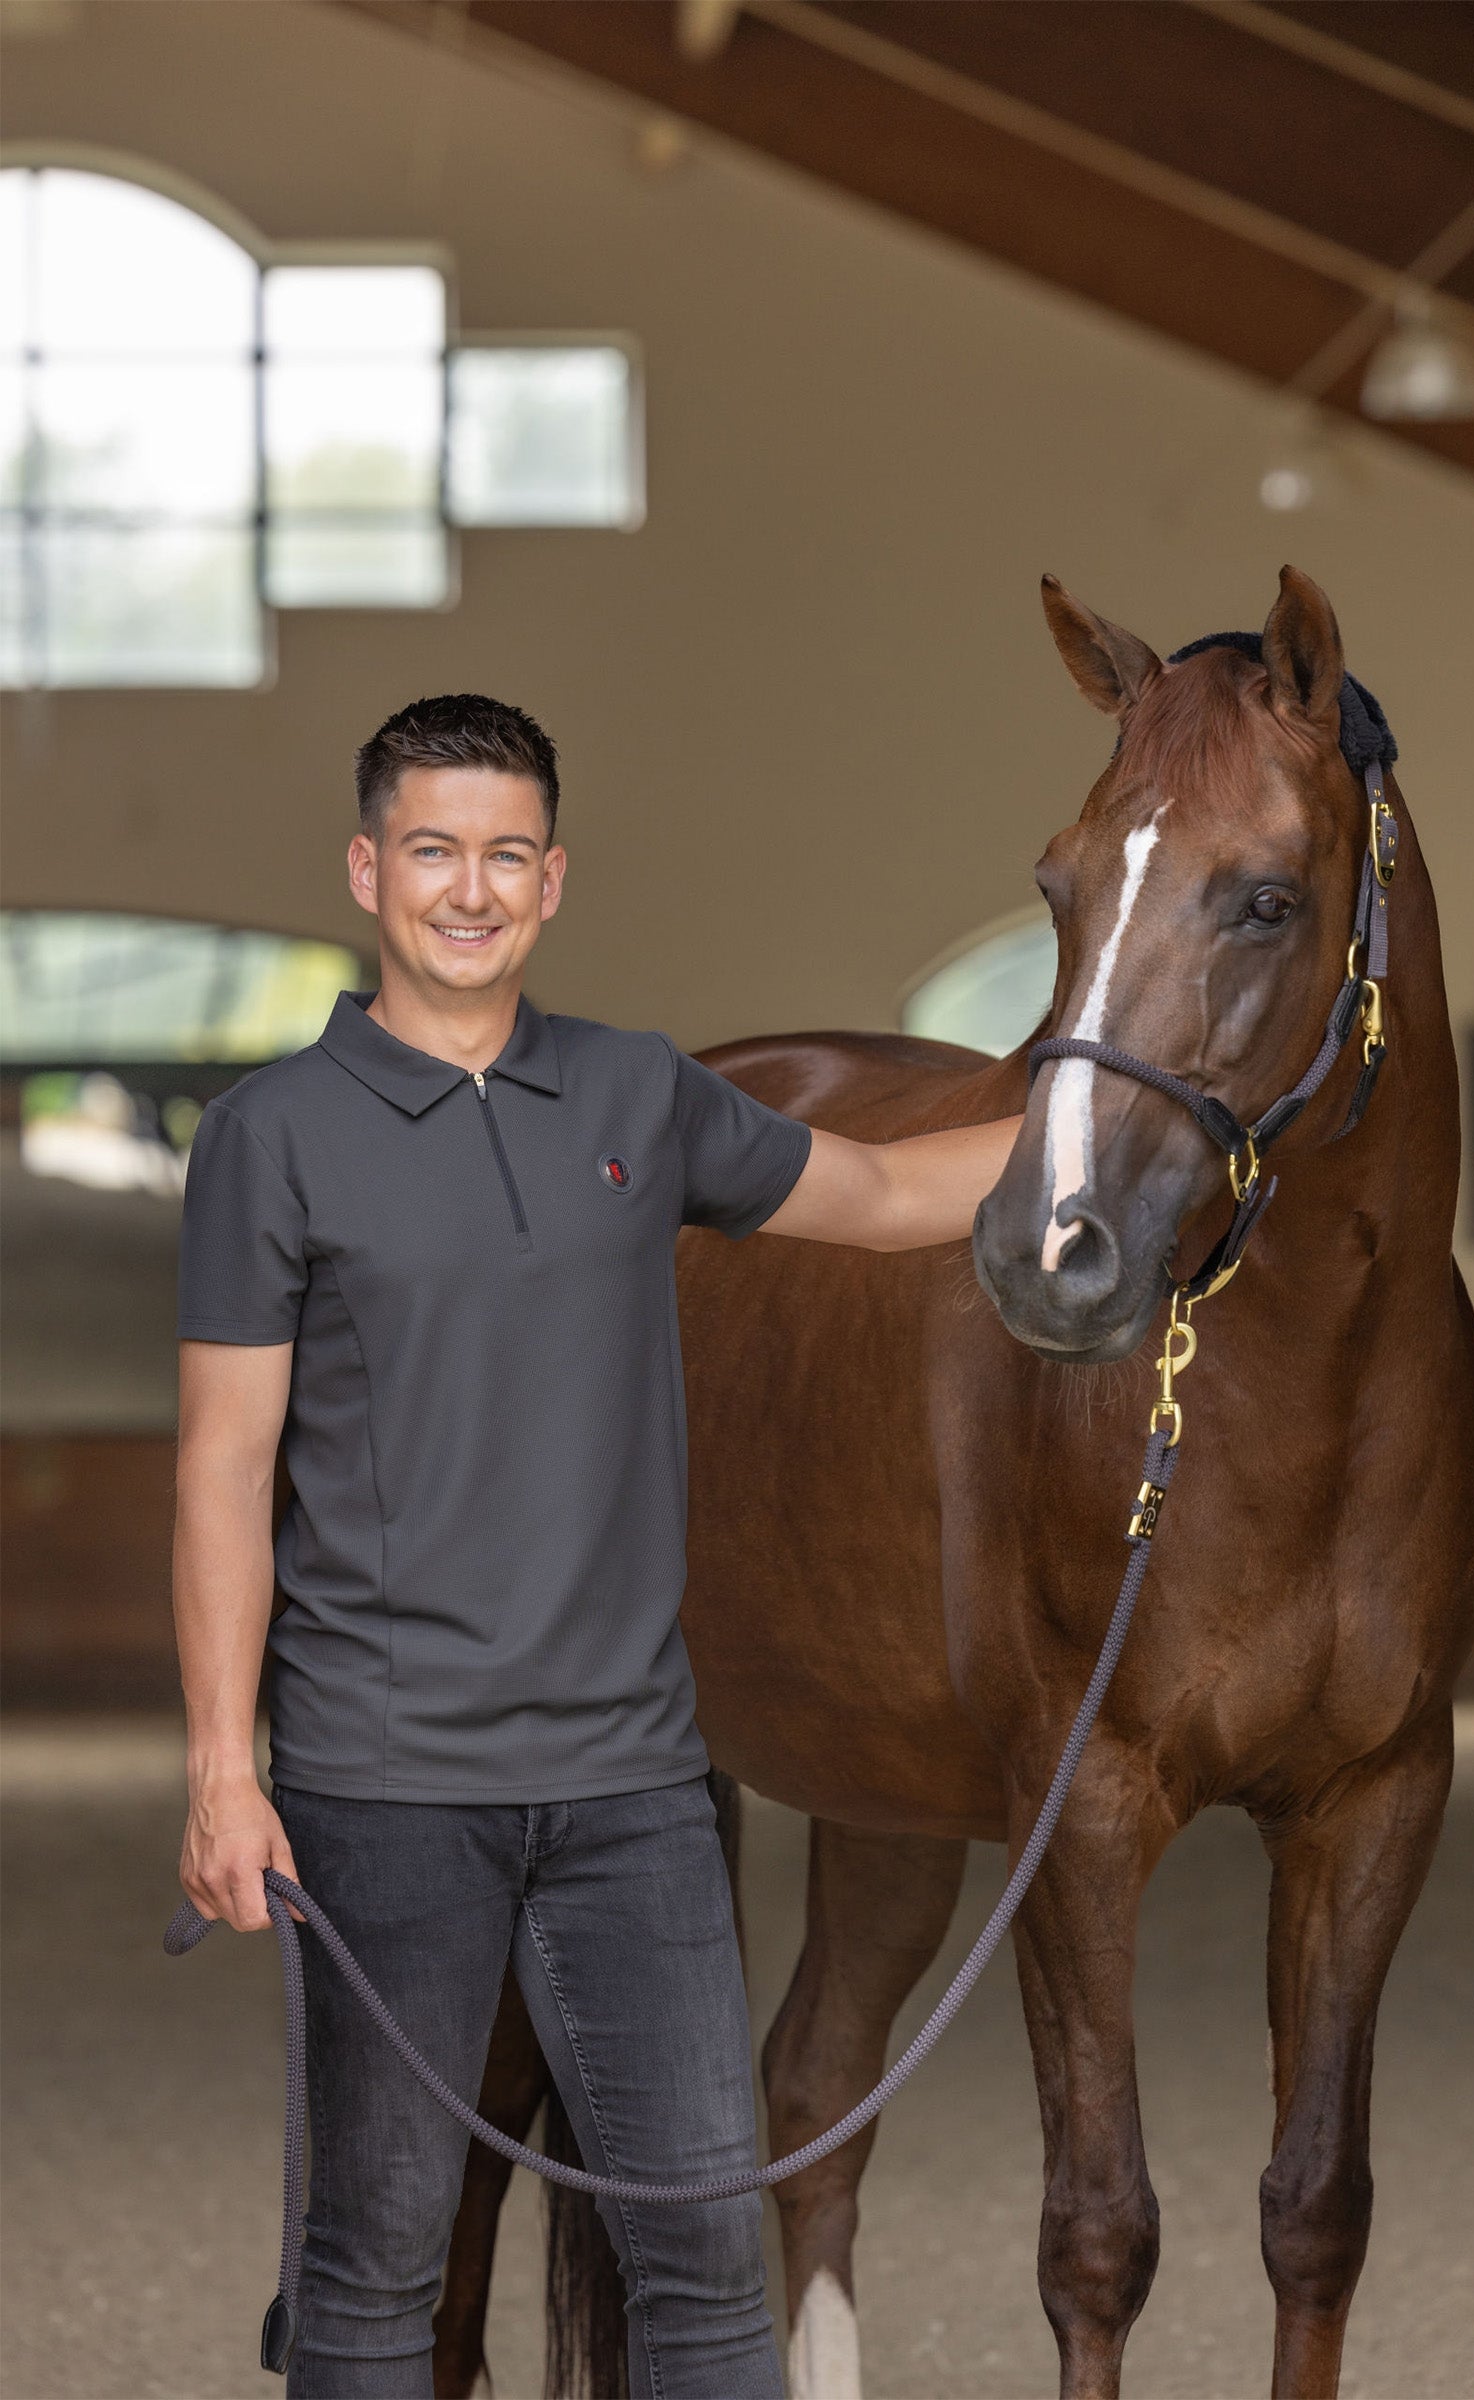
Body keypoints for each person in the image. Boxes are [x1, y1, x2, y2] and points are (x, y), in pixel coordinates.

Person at [174, 692, 1020, 2399]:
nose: (469, 889)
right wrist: (219, 1770)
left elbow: (880, 1199)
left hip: (636, 1796)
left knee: (704, 2270)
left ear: (551, 881)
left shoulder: (641, 1092)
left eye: (506, 855)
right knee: (371, 2277)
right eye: (433, 850)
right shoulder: (273, 1136)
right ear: (369, 870)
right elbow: (224, 1463)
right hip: (385, 1788)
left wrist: (1143, 1126)